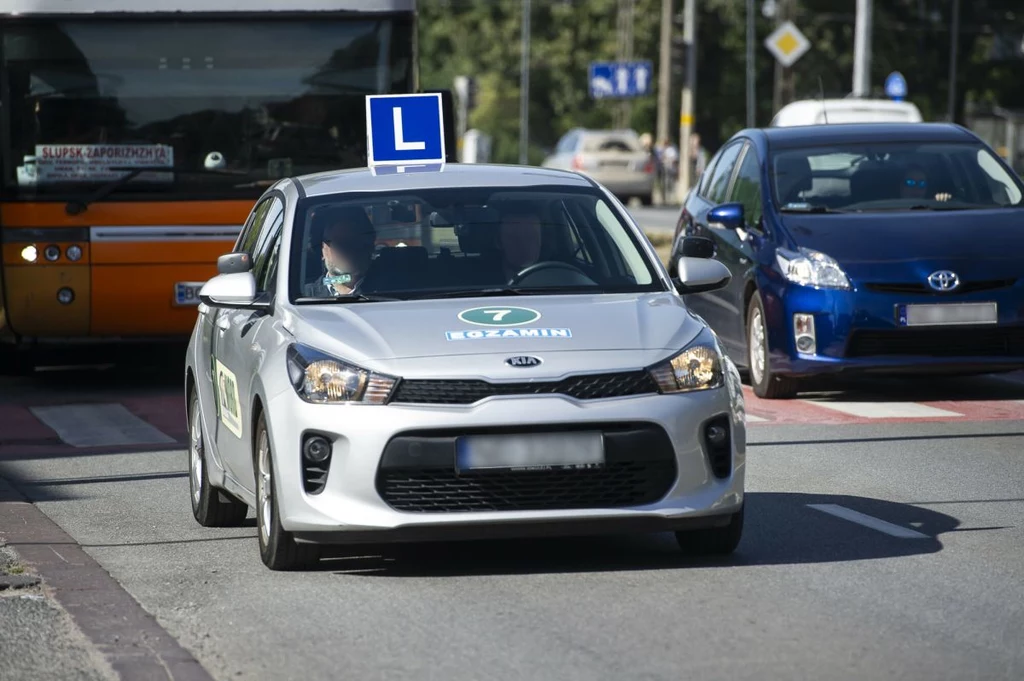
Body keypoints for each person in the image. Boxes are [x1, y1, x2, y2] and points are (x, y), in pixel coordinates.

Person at [303, 205, 377, 297]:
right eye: (338, 243)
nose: (348, 250)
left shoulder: (392, 290)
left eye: (354, 241)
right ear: (320, 249)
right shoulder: (304, 295)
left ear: (368, 244)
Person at [497, 204, 543, 282]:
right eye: (513, 238)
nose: (523, 244)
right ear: (499, 242)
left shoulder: (560, 277)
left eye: (531, 237)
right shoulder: (479, 282)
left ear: (541, 240)